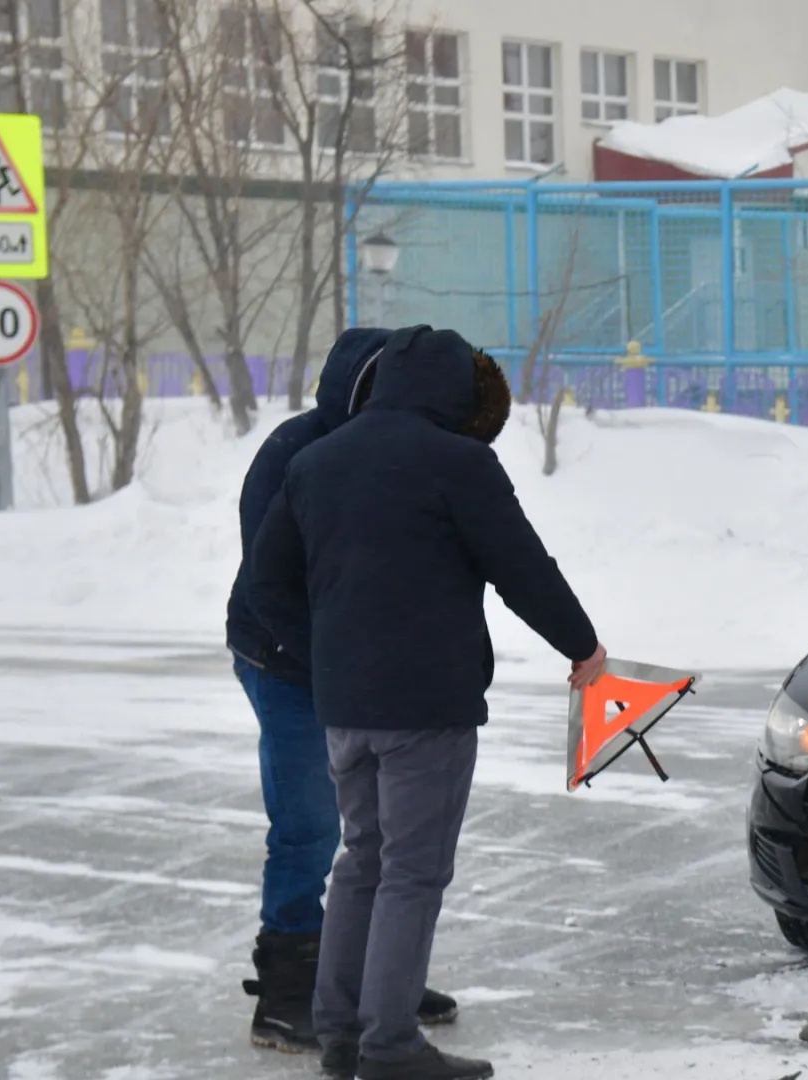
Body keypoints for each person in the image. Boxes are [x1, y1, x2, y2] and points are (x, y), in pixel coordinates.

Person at [250, 326, 607, 1080]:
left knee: (361, 863)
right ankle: (389, 1046)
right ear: (455, 392)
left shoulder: (317, 461)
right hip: (426, 707)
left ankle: (340, 1033)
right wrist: (582, 645)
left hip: (343, 707)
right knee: (412, 872)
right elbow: (521, 567)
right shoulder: (459, 463)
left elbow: (264, 585)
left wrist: (328, 661)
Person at [227, 328, 459, 1054]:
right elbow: (272, 577)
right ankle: (288, 991)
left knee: (389, 831)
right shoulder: (298, 453)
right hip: (288, 664)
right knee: (311, 828)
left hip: (363, 672)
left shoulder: (406, 450)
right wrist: (322, 654)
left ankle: (364, 977)